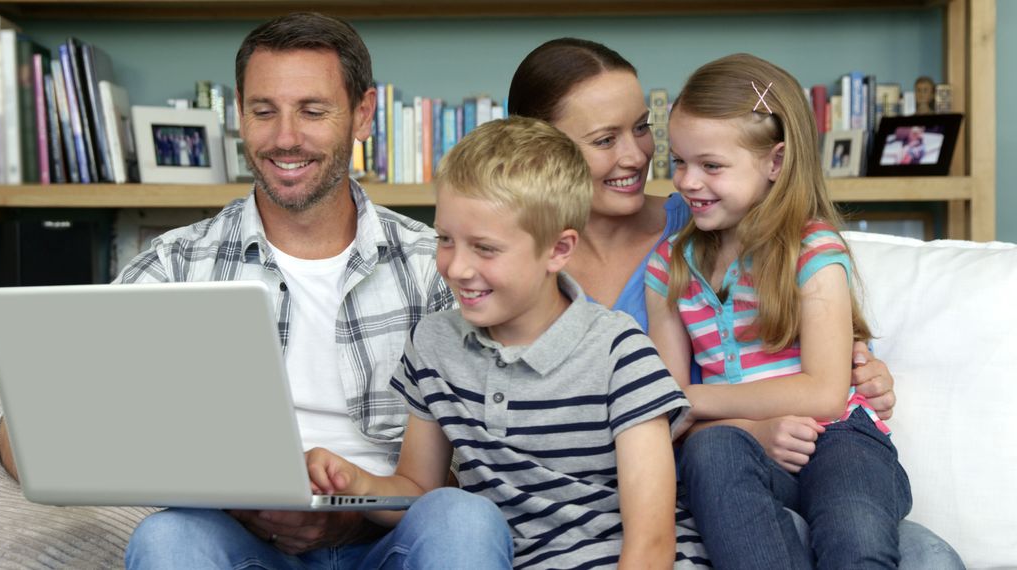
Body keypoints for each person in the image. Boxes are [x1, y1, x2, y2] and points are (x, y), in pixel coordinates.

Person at [29, 12, 509, 569]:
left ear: (363, 114)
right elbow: (35, 429)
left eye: (312, 110)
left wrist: (356, 508)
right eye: (264, 111)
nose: (286, 138)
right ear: (238, 114)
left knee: (466, 519)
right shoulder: (177, 263)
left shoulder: (437, 267)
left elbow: (487, 462)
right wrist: (227, 502)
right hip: (242, 545)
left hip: (387, 542)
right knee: (169, 537)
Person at [507, 38, 961, 568]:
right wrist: (745, 428)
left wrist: (855, 366)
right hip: (674, 482)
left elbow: (805, 372)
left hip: (793, 455)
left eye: (640, 128)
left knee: (927, 556)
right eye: (605, 138)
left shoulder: (703, 222)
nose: (636, 156)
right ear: (541, 147)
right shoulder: (507, 259)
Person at [307, 116, 691, 568]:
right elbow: (419, 492)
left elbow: (652, 545)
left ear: (558, 250)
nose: (457, 268)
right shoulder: (434, 344)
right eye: (446, 239)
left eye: (485, 249)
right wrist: (358, 484)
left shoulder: (620, 353)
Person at [645, 52, 911, 568]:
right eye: (679, 161)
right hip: (740, 451)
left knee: (854, 534)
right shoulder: (670, 267)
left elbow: (825, 394)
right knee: (709, 451)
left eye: (711, 165)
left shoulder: (813, 252)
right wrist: (736, 423)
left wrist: (691, 396)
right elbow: (668, 416)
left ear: (776, 162)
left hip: (840, 441)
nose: (687, 182)